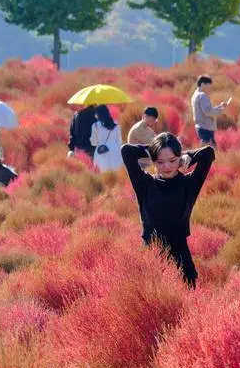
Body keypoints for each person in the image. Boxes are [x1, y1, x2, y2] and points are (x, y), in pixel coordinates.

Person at [120, 134, 215, 287]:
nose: (167, 167)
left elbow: (208, 153)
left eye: (172, 160)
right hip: (151, 256)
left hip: (180, 258)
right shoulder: (145, 184)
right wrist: (152, 150)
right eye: (160, 162)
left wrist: (187, 155)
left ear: (180, 158)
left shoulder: (189, 184)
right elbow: (126, 151)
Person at [191, 76, 231, 147]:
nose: (210, 88)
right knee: (210, 152)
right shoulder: (202, 96)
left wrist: (219, 106)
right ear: (203, 84)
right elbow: (208, 112)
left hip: (200, 127)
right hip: (206, 128)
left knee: (205, 151)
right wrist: (221, 110)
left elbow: (206, 110)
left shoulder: (195, 95)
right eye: (209, 86)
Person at [90, 104, 124, 171]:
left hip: (101, 151)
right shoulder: (116, 124)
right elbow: (119, 141)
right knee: (116, 172)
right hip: (115, 150)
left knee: (103, 172)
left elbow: (93, 143)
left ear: (98, 114)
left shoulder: (95, 125)